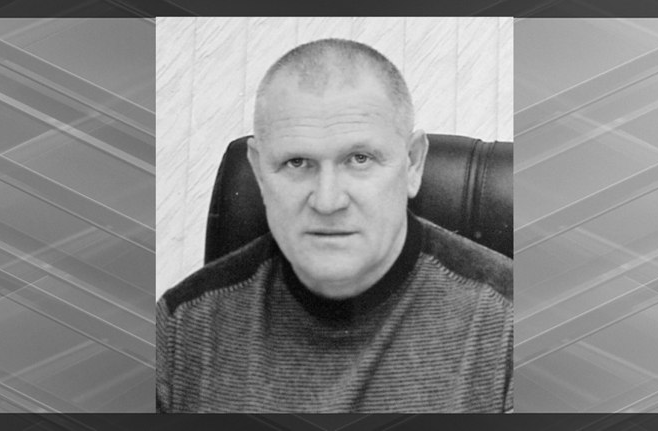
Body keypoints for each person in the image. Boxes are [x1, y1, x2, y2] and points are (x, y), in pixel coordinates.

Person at [156, 38, 513, 413]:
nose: (327, 201)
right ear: (259, 172)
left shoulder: (514, 328)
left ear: (412, 164)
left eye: (359, 159)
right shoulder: (181, 330)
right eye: (297, 162)